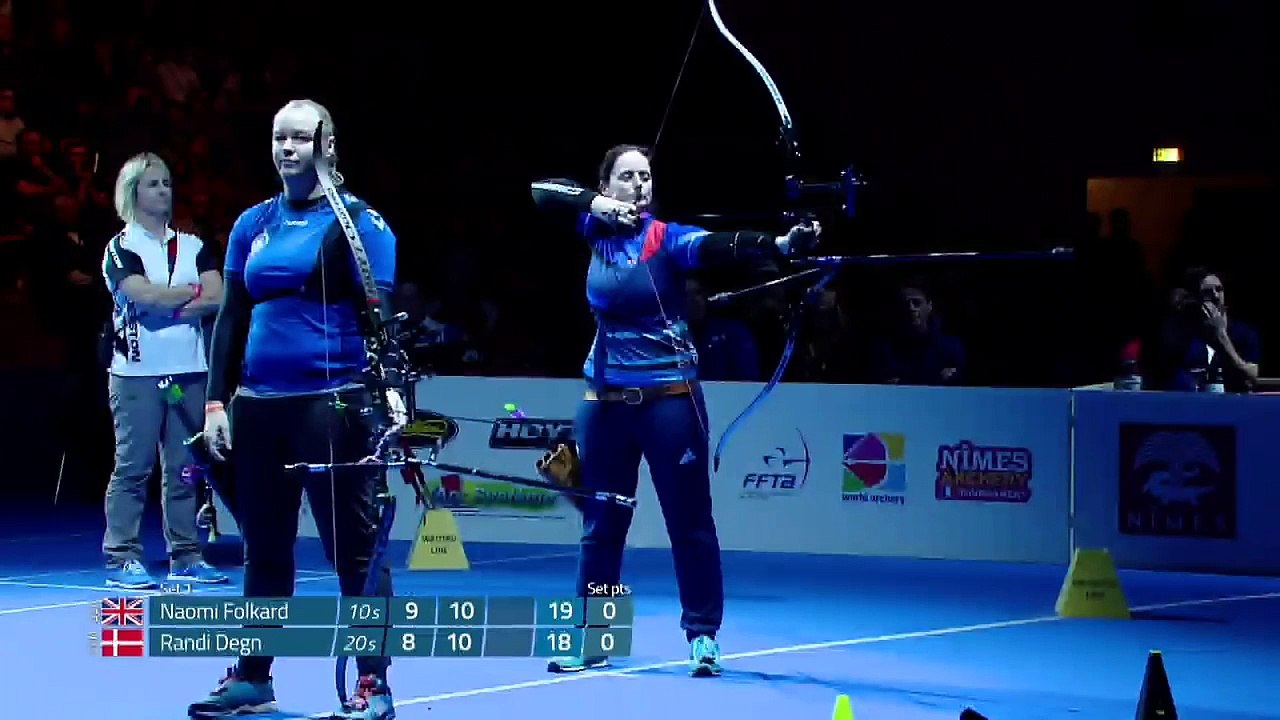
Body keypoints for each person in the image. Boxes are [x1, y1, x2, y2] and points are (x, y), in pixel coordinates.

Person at [530, 144, 819, 677]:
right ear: (607, 183)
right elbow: (542, 192)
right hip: (605, 403)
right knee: (600, 526)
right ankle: (595, 637)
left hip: (669, 402)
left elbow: (719, 247)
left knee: (689, 524)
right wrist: (596, 206)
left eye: (645, 176)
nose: (639, 184)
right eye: (627, 176)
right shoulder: (593, 230)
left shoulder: (666, 238)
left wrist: (778, 243)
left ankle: (702, 635)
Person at [189, 99, 399, 720]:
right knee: (266, 550)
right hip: (260, 408)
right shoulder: (253, 222)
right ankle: (254, 678)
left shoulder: (361, 223)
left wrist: (382, 394)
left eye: (300, 139)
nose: (287, 149)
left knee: (352, 552)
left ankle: (373, 685)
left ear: (327, 145)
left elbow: (377, 314)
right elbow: (231, 317)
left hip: (332, 406)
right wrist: (216, 400)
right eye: (279, 137)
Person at [99, 151, 228, 589]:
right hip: (137, 376)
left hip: (186, 374)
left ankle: (186, 555)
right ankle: (121, 556)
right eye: (154, 183)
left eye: (168, 183)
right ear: (133, 191)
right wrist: (184, 297)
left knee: (186, 466)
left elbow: (217, 297)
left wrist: (167, 299)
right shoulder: (120, 248)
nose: (164, 190)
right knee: (132, 466)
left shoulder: (194, 245)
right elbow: (141, 296)